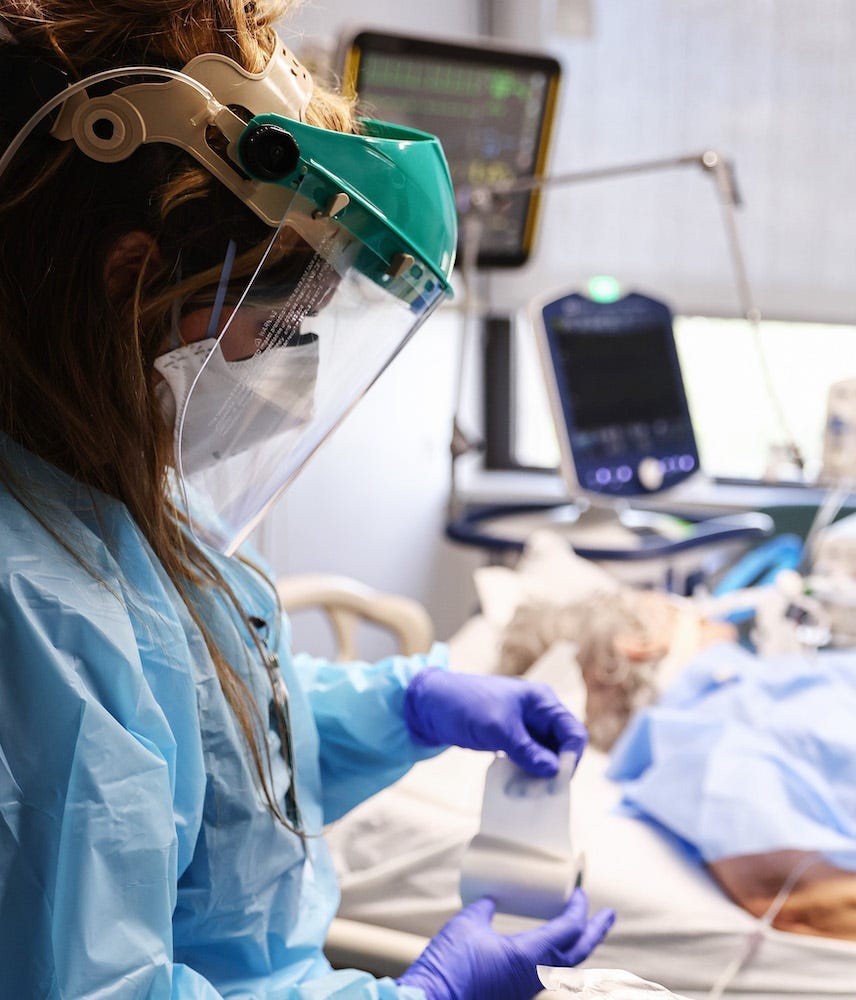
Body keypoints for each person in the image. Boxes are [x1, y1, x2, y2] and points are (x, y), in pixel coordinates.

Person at [0, 1, 614, 995]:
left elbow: (207, 742)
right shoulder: (32, 597)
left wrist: (406, 706)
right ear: (133, 278)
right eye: (277, 324)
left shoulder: (108, 499)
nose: (289, 367)